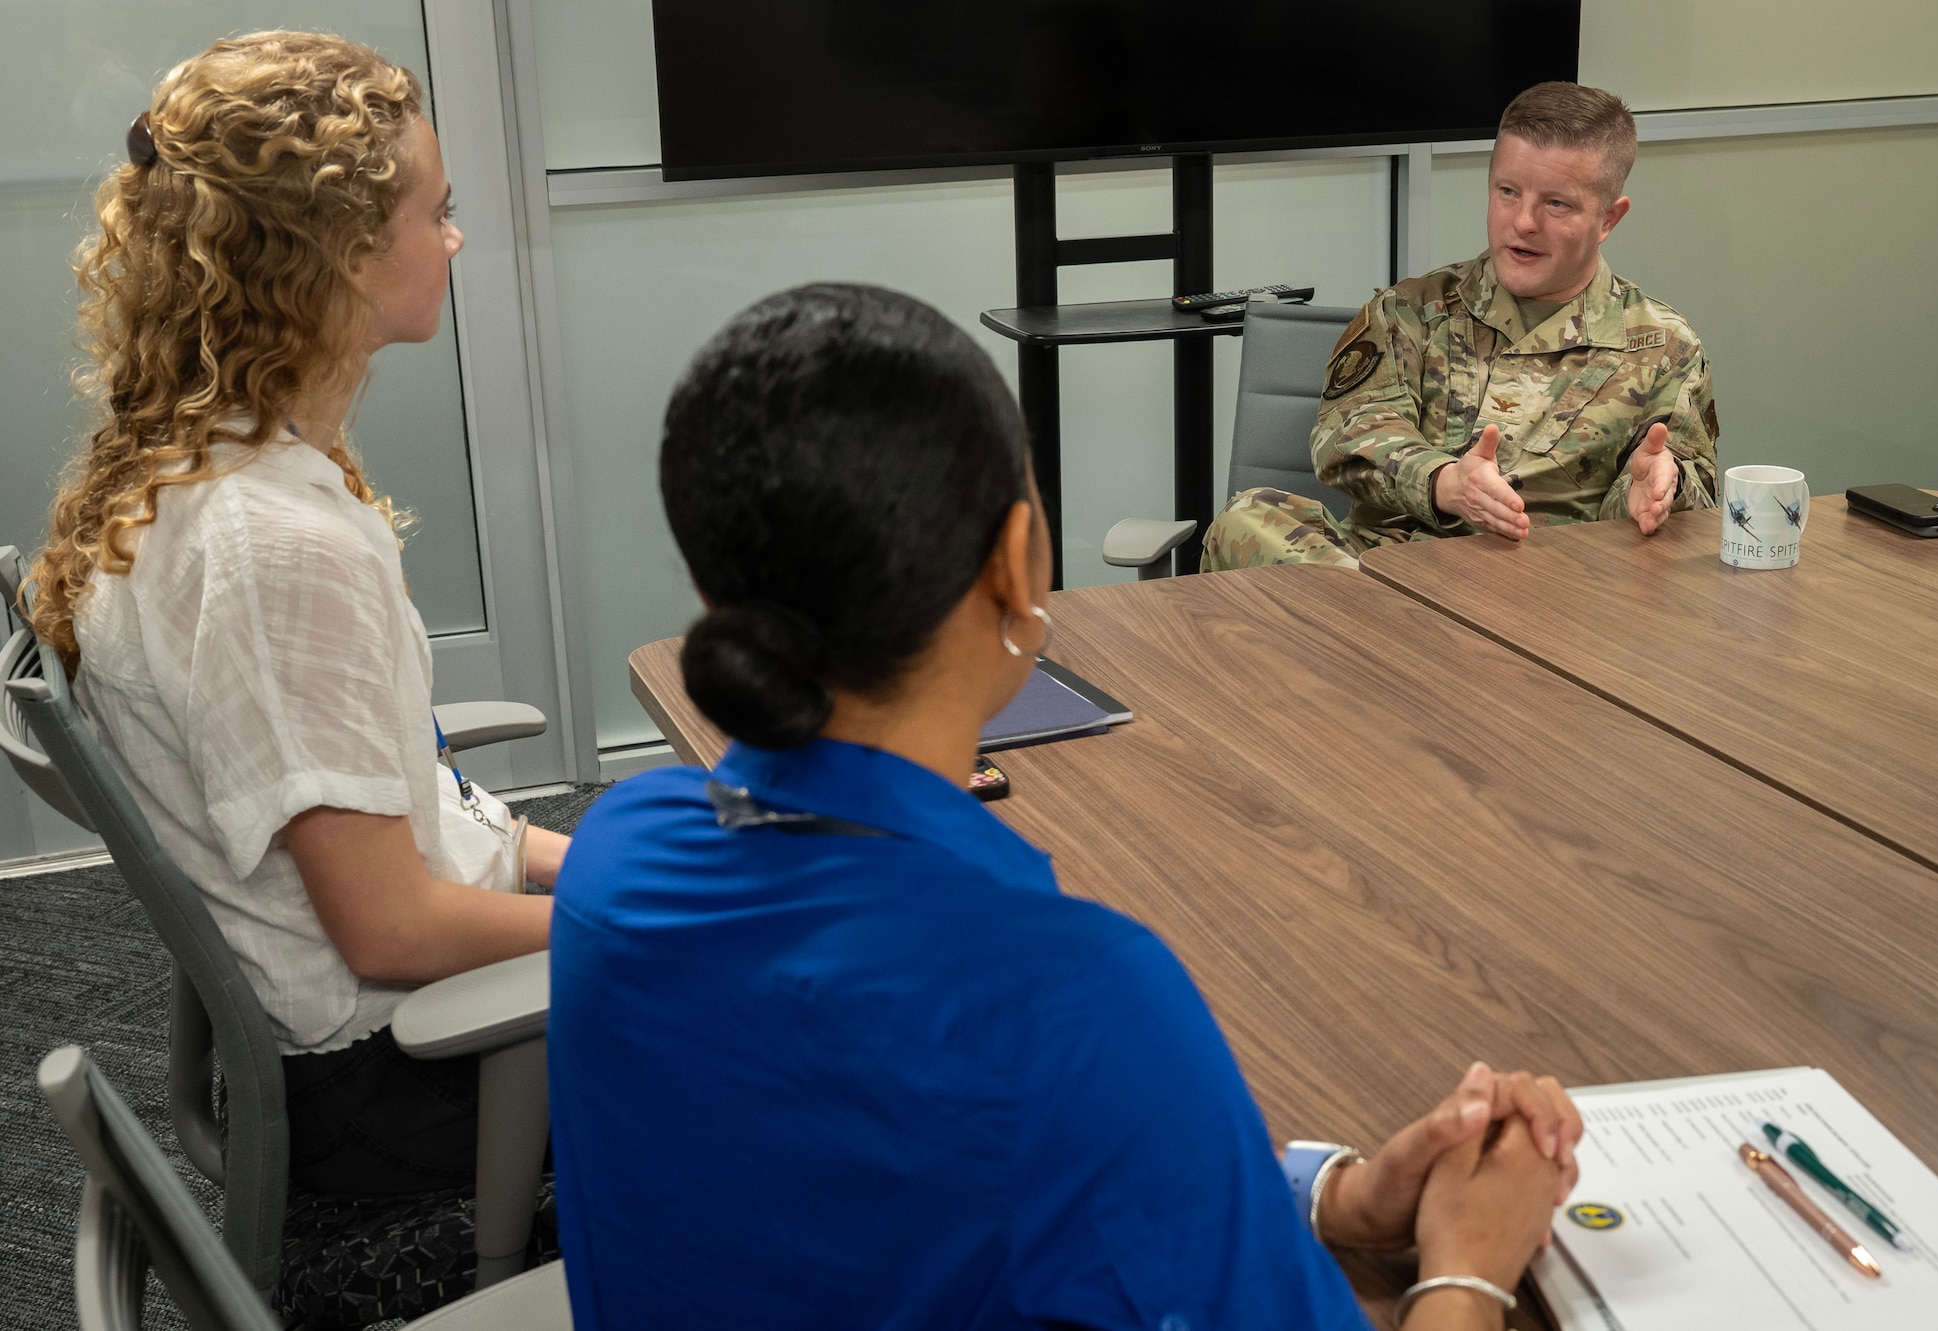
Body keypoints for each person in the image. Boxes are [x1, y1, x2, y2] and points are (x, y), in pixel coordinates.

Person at [549, 283, 1584, 1330]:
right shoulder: (1073, 999)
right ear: (1012, 559)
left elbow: (996, 1171)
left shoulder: (619, 854)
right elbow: (1043, 1113)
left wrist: (1335, 1193)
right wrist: (1469, 1261)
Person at [25, 30, 562, 1238]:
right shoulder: (272, 548)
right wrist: (652, 924)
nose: (456, 239)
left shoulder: (199, 463)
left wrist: (552, 858)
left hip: (368, 1031)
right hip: (403, 1080)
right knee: (832, 1042)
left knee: (706, 876)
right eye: (439, 212)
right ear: (340, 254)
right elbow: (391, 927)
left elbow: (384, 796)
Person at [1204, 82, 1719, 571]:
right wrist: (1445, 483)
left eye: (1556, 203)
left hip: (1545, 590)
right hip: (1384, 570)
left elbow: (1685, 481)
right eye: (1508, 191)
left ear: (1609, 219)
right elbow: (1348, 433)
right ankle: (1404, 637)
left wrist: (1658, 491)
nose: (1523, 222)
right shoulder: (1410, 311)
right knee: (1248, 518)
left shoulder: (1662, 345)